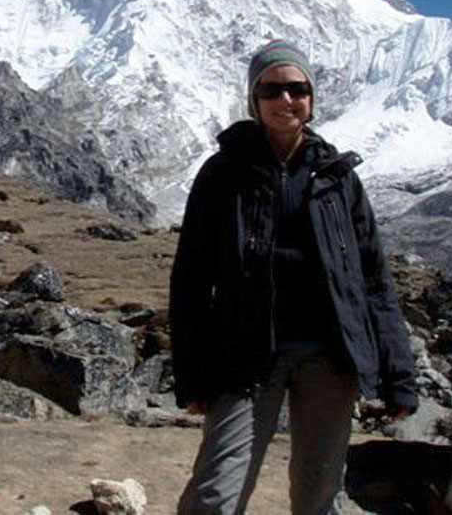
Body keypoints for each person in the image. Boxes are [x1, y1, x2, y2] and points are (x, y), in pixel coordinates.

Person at [170, 39, 418, 514]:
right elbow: (191, 282)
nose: (287, 99)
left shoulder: (338, 176)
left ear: (312, 97)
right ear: (254, 100)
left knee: (318, 491)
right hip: (244, 354)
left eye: (298, 88)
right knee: (214, 493)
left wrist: (398, 375)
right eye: (272, 90)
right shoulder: (223, 174)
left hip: (329, 355)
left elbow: (372, 280)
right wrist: (192, 376)